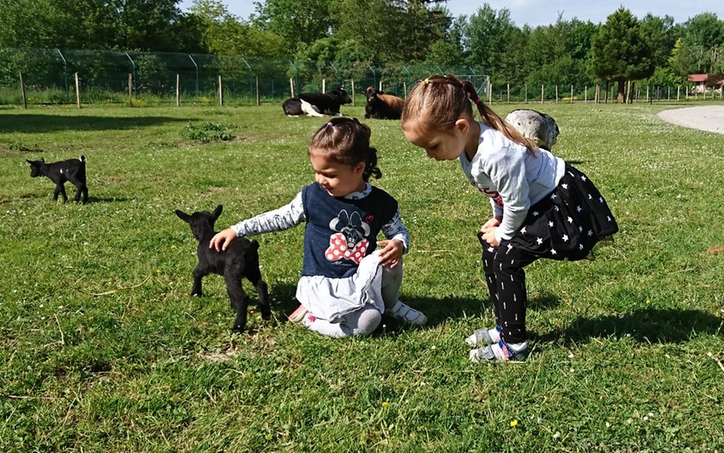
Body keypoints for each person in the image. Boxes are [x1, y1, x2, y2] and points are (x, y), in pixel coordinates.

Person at [401, 75, 618, 362]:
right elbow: (499, 193)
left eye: (432, 146)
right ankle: (505, 326)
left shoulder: (497, 153)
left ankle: (514, 346)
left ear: (461, 127)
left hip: (558, 202)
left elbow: (518, 200)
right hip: (533, 201)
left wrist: (504, 232)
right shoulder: (467, 148)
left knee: (506, 258)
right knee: (491, 249)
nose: (430, 155)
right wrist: (497, 219)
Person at [210, 117, 426, 338]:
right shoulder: (312, 196)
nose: (321, 180)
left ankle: (391, 304)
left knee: (389, 259)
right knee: (369, 321)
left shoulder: (381, 202)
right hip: (325, 284)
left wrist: (400, 243)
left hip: (360, 277)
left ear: (358, 168)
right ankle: (309, 317)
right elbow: (278, 217)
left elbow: (399, 231)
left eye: (330, 174)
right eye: (317, 172)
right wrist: (237, 229)